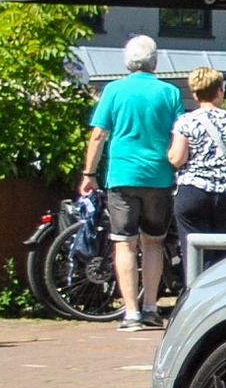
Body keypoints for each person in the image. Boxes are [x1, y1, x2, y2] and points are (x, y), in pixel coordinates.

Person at [78, 35, 183, 331]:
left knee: (124, 243)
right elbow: (179, 134)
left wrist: (89, 173)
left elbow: (98, 135)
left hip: (122, 176)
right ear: (155, 61)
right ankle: (151, 306)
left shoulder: (114, 90)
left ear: (127, 61)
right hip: (159, 176)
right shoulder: (170, 93)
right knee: (154, 242)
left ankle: (131, 313)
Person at [167, 67, 226, 273]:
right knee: (225, 256)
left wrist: (167, 154)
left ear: (194, 94)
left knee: (195, 254)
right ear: (219, 91)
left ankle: (196, 294)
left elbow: (177, 159)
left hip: (193, 191)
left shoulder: (186, 121)